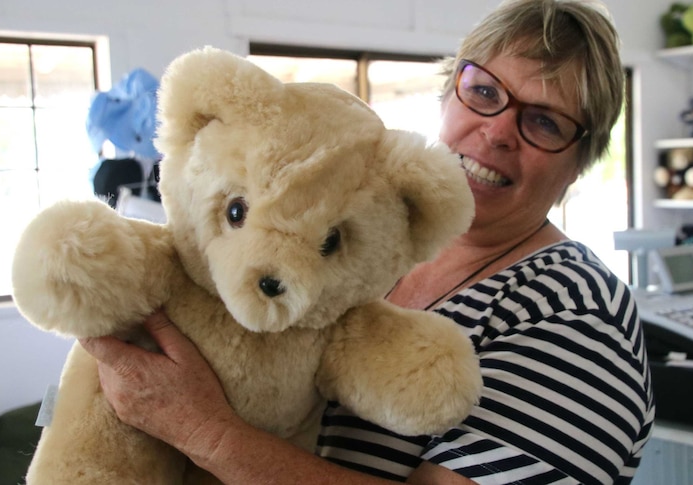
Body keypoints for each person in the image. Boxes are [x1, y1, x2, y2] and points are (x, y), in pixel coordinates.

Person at [79, 0, 655, 483]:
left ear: (580, 162)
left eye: (545, 122)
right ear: (449, 94)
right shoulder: (369, 244)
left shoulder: (576, 314)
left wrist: (202, 430)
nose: (499, 131)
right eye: (484, 91)